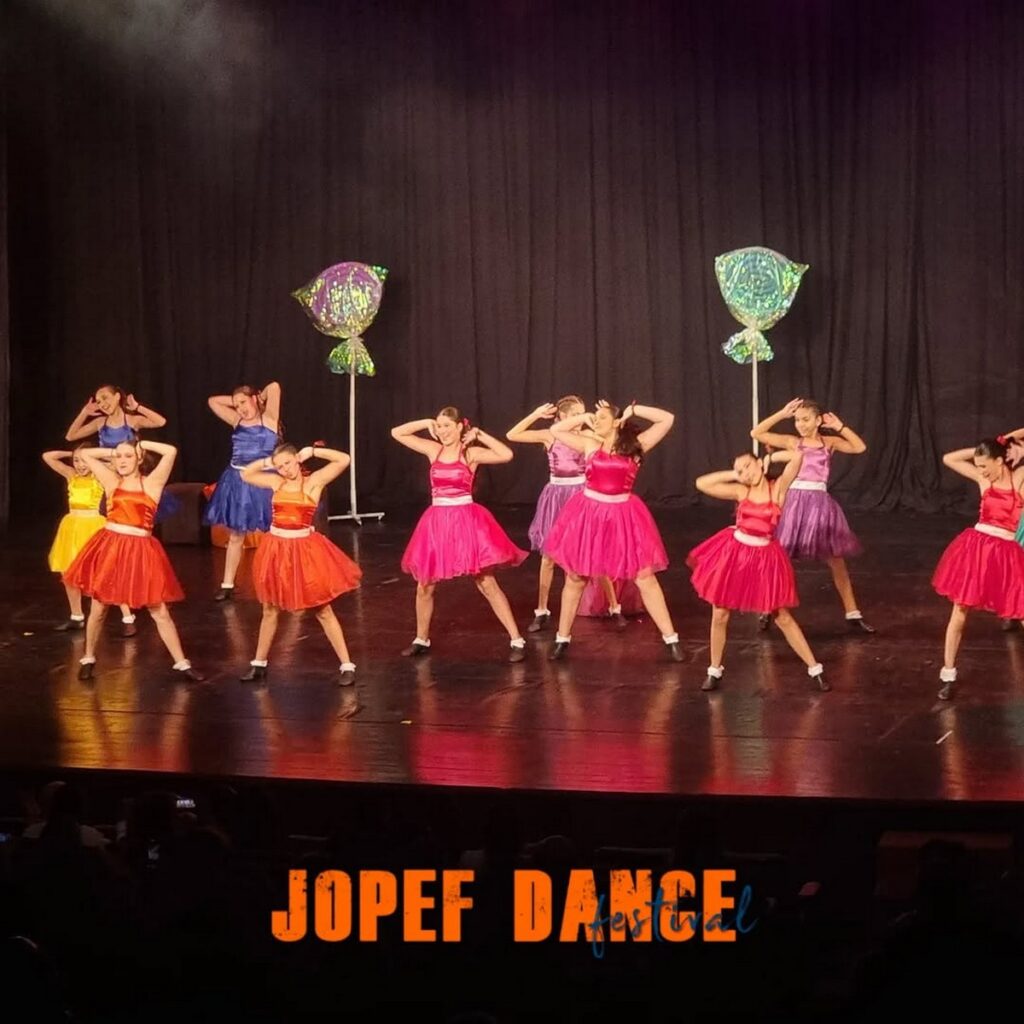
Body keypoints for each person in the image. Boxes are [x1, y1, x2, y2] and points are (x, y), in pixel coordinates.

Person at [541, 400, 681, 661]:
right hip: (589, 515)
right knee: (575, 578)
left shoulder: (636, 446)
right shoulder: (590, 444)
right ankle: (562, 637)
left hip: (623, 516)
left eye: (602, 418)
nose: (596, 421)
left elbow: (667, 419)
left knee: (645, 578)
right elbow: (557, 430)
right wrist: (584, 416)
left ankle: (671, 638)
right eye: (595, 418)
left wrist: (634, 410)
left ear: (617, 422)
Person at [392, 407, 528, 663]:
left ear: (458, 428)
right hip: (437, 523)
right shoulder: (433, 450)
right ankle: (421, 638)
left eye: (446, 426)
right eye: (439, 426)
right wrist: (425, 421)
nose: (442, 431)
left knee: (486, 582)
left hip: (466, 520)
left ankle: (516, 639)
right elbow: (397, 433)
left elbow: (506, 454)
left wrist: (480, 435)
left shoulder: (470, 453)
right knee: (425, 585)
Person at [62, 439, 203, 682]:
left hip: (140, 550)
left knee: (158, 610)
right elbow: (86, 454)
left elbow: (170, 451)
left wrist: (141, 444)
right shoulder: (111, 481)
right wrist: (114, 451)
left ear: (139, 458)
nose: (121, 461)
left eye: (128, 456)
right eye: (118, 457)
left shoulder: (151, 484)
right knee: (99, 608)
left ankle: (181, 663)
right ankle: (88, 657)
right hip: (111, 547)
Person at [688, 450, 828, 691]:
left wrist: (771, 458)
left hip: (764, 558)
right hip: (735, 554)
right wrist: (734, 474)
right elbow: (701, 483)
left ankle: (814, 668)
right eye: (740, 470)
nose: (745, 473)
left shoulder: (778, 489)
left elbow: (797, 458)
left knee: (781, 616)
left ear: (760, 465)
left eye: (748, 466)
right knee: (719, 613)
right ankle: (714, 669)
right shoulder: (741, 491)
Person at [505, 398, 638, 632]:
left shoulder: (589, 437)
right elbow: (512, 435)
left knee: (593, 554)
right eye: (577, 413)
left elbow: (616, 442)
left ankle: (614, 606)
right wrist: (536, 414)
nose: (584, 417)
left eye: (584, 413)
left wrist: (615, 419)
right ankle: (542, 610)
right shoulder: (551, 435)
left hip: (583, 496)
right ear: (564, 417)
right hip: (556, 497)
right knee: (548, 557)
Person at [239, 442, 362, 685]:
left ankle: (347, 665)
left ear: (297, 459)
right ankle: (259, 664)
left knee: (322, 609)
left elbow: (343, 459)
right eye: (280, 466)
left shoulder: (313, 482)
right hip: (276, 549)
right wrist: (268, 463)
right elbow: (246, 474)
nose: (285, 469)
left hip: (303, 550)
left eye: (287, 463)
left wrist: (313, 452)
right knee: (270, 608)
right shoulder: (277, 482)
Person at [752, 397, 873, 632]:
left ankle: (852, 612)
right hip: (794, 503)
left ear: (818, 421)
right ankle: (767, 606)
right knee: (779, 557)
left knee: (836, 561)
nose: (800, 424)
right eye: (797, 420)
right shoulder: (793, 442)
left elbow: (859, 447)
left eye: (805, 419)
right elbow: (757, 433)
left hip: (820, 505)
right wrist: (782, 414)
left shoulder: (829, 442)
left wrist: (839, 427)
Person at [931, 436, 1024, 700]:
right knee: (960, 611)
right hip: (978, 550)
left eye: (985, 465)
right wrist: (982, 450)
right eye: (978, 465)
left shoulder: (1019, 480)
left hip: (1007, 553)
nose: (981, 470)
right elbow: (949, 458)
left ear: (1000, 461)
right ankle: (948, 673)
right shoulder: (984, 481)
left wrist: (1013, 446)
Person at [43, 446, 135, 635]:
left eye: (83, 460)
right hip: (71, 528)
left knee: (106, 573)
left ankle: (128, 618)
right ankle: (76, 616)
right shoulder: (71, 476)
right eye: (76, 461)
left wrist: (92, 456)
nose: (80, 465)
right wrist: (73, 453)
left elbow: (116, 460)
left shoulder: (101, 476)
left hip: (93, 527)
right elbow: (48, 456)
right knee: (68, 573)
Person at [203, 381, 282, 600]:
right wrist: (236, 400)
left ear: (254, 399)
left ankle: (281, 579)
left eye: (243, 403)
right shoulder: (236, 420)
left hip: (263, 482)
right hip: (238, 481)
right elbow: (212, 401)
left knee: (274, 532)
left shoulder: (269, 419)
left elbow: (274, 387)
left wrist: (260, 397)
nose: (240, 408)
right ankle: (227, 584)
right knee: (236, 534)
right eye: (236, 405)